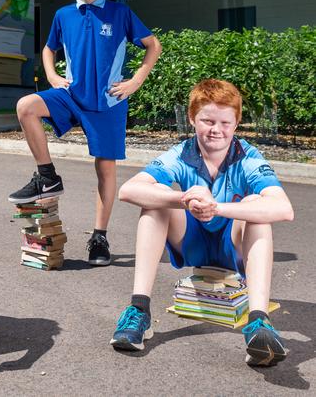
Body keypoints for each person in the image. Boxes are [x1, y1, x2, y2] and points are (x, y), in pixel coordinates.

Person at [111, 79, 294, 367]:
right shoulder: (181, 153)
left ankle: (258, 322)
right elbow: (128, 190)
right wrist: (184, 199)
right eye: (207, 120)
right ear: (192, 119)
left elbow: (284, 208)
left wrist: (216, 207)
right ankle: (139, 310)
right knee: (154, 204)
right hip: (190, 240)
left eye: (225, 122)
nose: (216, 130)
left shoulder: (247, 157)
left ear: (237, 123)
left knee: (255, 207)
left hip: (232, 245)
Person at [8, 0, 161, 266]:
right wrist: (52, 75)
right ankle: (47, 175)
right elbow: (49, 49)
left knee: (105, 170)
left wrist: (135, 82)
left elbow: (153, 46)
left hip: (108, 102)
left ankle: (99, 237)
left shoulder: (120, 14)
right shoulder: (64, 15)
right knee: (26, 106)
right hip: (72, 96)